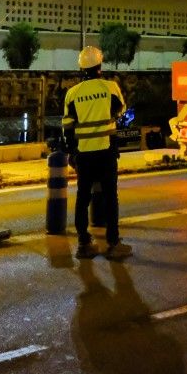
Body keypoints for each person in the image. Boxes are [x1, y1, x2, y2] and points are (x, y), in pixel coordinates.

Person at [63, 45, 131, 261]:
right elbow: (120, 111)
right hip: (106, 151)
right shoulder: (110, 87)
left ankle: (84, 243)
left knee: (83, 198)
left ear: (81, 68)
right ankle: (113, 242)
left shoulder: (72, 94)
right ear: (100, 65)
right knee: (111, 197)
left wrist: (71, 153)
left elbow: (67, 126)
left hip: (84, 154)